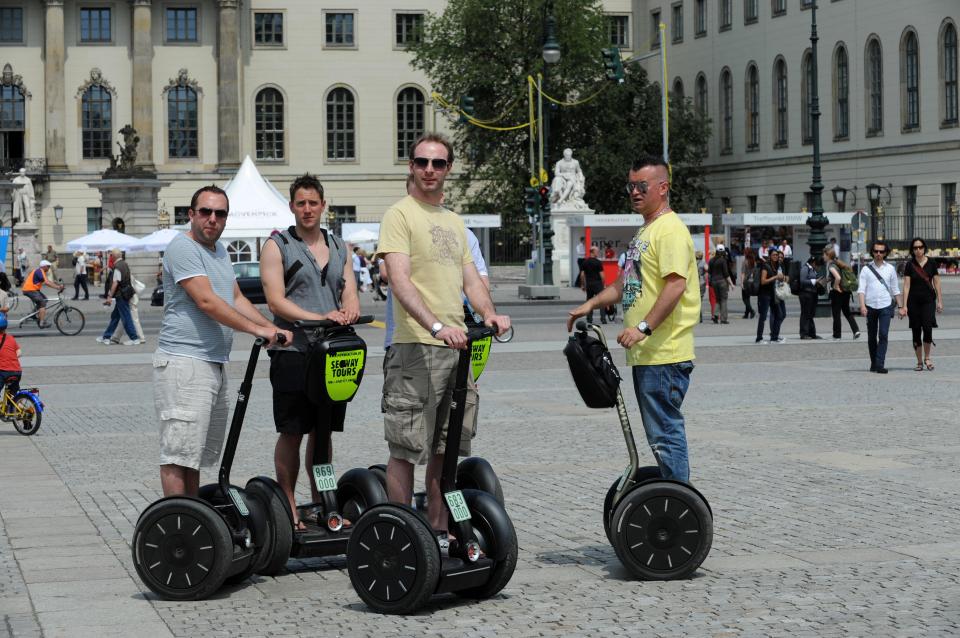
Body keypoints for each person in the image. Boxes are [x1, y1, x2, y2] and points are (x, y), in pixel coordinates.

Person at [377, 133, 510, 544]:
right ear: (411, 167)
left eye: (438, 163)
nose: (429, 170)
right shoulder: (399, 215)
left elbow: (471, 279)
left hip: (456, 350)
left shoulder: (454, 223)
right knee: (405, 448)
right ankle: (401, 535)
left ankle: (435, 530)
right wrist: (436, 326)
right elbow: (399, 280)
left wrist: (489, 313)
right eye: (422, 162)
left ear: (449, 168)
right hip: (416, 347)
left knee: (445, 449)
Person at [567, 155, 699, 483]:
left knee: (665, 434)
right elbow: (626, 282)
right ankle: (671, 494)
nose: (634, 192)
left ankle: (679, 501)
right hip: (649, 354)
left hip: (664, 352)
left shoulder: (668, 230)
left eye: (642, 186)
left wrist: (643, 327)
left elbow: (675, 285)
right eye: (631, 186)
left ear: (663, 187)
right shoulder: (647, 231)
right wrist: (591, 304)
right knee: (659, 435)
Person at [155, 186, 291, 497]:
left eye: (220, 213)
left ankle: (195, 519)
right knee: (178, 456)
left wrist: (272, 328)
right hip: (184, 363)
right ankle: (181, 526)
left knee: (194, 455)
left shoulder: (218, 251)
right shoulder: (183, 248)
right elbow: (207, 302)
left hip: (212, 364)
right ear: (191, 215)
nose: (212, 219)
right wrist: (256, 331)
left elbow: (236, 297)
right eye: (205, 211)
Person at [260, 174, 360, 529]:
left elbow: (348, 290)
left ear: (323, 206)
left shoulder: (338, 246)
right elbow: (276, 301)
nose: (307, 209)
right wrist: (319, 316)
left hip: (330, 353)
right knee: (293, 430)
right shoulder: (278, 245)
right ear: (292, 207)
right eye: (300, 203)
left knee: (323, 432)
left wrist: (349, 309)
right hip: (293, 352)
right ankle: (288, 504)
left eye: (312, 203)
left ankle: (323, 501)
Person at [858, 240, 902, 374]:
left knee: (883, 334)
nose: (878, 254)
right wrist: (862, 306)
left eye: (881, 251)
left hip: (885, 306)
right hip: (870, 306)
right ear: (872, 252)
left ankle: (880, 363)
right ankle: (873, 363)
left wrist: (901, 306)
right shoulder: (866, 269)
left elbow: (895, 290)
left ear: (885, 253)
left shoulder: (890, 269)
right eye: (876, 251)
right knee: (872, 337)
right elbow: (861, 289)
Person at [899, 237, 942, 371]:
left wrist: (940, 301)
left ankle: (927, 357)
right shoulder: (910, 265)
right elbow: (906, 286)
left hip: (928, 301)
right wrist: (904, 305)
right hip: (913, 302)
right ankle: (919, 361)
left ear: (924, 248)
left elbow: (937, 282)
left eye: (920, 247)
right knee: (916, 331)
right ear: (912, 250)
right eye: (915, 248)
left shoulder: (932, 263)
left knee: (928, 328)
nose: (918, 250)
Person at [94, 249, 140, 345]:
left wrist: (109, 296)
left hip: (121, 295)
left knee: (126, 317)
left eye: (111, 255)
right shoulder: (124, 263)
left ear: (113, 256)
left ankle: (134, 338)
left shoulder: (118, 266)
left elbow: (115, 282)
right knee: (115, 316)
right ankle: (106, 337)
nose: (110, 257)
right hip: (125, 293)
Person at [824, 247, 860, 340]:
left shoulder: (831, 265)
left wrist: (835, 286)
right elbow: (835, 276)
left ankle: (837, 335)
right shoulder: (838, 263)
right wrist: (826, 280)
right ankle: (856, 330)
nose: (823, 256)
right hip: (846, 292)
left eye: (824, 254)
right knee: (847, 312)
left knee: (836, 314)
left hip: (837, 293)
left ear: (828, 255)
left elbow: (838, 278)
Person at [756, 248, 787, 344]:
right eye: (774, 255)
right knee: (763, 317)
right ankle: (759, 338)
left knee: (779, 314)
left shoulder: (777, 266)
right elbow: (763, 281)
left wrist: (782, 278)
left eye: (777, 255)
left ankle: (774, 337)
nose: (776, 257)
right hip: (764, 294)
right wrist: (775, 277)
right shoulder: (766, 266)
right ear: (770, 256)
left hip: (773, 294)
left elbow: (780, 278)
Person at [21, 260, 63, 328]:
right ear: (44, 266)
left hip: (32, 289)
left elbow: (48, 281)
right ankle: (42, 323)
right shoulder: (39, 271)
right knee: (42, 303)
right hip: (30, 290)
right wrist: (58, 287)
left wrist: (57, 285)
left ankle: (33, 314)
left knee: (45, 299)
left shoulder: (40, 271)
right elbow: (47, 282)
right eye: (48, 266)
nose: (49, 268)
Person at [798, 255, 822, 339]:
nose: (819, 268)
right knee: (805, 314)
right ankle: (804, 333)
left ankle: (812, 333)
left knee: (811, 314)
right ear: (814, 263)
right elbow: (802, 281)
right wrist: (815, 281)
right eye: (818, 266)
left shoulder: (812, 270)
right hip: (806, 294)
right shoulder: (805, 268)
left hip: (813, 294)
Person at [707, 245, 733, 324]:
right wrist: (731, 284)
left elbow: (709, 273)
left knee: (717, 300)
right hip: (722, 281)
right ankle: (723, 319)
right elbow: (726, 273)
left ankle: (715, 315)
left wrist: (710, 282)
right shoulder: (723, 260)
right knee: (723, 300)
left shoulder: (711, 260)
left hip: (714, 282)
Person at [579, 246, 605, 324]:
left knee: (589, 302)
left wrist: (583, 285)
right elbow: (602, 275)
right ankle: (603, 319)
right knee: (602, 302)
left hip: (589, 285)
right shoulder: (598, 262)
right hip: (598, 284)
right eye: (597, 251)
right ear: (592, 252)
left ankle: (589, 319)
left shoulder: (585, 262)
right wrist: (604, 284)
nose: (598, 252)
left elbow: (582, 275)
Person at [0, 313, 22, 393]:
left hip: (3, 372)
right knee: (12, 396)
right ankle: (13, 403)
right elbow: (19, 352)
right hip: (17, 371)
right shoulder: (10, 338)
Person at [740, 247, 757, 319]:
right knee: (748, 298)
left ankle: (751, 310)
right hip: (751, 281)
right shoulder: (754, 261)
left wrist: (741, 283)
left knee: (744, 299)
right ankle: (746, 314)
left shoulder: (745, 262)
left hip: (746, 281)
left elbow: (743, 273)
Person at [695, 250, 706, 323]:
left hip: (694, 283)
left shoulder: (693, 263)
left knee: (695, 301)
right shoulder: (703, 263)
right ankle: (700, 317)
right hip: (701, 283)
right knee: (700, 300)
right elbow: (707, 269)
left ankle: (696, 317)